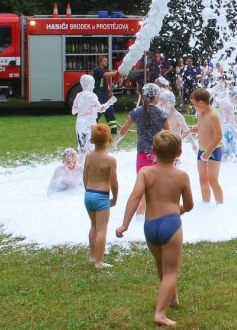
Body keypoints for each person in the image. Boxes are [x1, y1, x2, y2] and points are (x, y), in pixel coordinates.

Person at [116, 131, 194, 326]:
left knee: (161, 265)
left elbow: (134, 197)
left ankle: (172, 297)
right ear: (179, 152)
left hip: (150, 226)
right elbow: (190, 205)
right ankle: (160, 313)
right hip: (171, 224)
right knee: (171, 271)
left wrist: (125, 224)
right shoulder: (182, 176)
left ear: (153, 151)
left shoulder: (145, 172)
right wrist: (179, 210)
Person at [114, 83, 169, 216]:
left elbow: (124, 129)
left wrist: (115, 143)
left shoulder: (136, 112)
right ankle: (157, 212)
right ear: (156, 96)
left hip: (142, 154)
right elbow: (169, 133)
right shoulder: (162, 113)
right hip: (158, 153)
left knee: (143, 184)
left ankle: (140, 212)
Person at [83, 124, 118, 268]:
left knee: (93, 226)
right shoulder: (110, 160)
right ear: (109, 139)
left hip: (89, 194)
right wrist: (115, 197)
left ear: (92, 140)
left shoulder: (89, 156)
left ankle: (93, 255)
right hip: (102, 196)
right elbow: (114, 183)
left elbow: (85, 175)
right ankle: (99, 261)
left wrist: (87, 190)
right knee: (102, 229)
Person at [186, 88, 224, 204]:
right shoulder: (201, 114)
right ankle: (205, 204)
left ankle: (220, 205)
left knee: (213, 180)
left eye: (194, 103)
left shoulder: (213, 116)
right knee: (203, 179)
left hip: (212, 151)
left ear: (201, 103)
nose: (193, 106)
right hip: (202, 150)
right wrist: (191, 130)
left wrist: (208, 151)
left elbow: (218, 136)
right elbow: (203, 128)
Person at [72, 75, 117, 161]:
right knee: (92, 146)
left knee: (82, 148)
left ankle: (82, 168)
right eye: (93, 84)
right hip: (90, 124)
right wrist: (110, 102)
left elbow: (73, 111)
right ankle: (94, 165)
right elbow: (101, 109)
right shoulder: (92, 96)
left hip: (80, 123)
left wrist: (82, 108)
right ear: (88, 84)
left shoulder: (78, 95)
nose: (94, 86)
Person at [93, 56, 118, 134]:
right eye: (104, 61)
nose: (106, 62)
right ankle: (93, 128)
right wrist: (118, 72)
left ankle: (113, 130)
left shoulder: (102, 71)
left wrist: (110, 93)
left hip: (105, 94)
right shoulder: (97, 70)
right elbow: (106, 74)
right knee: (97, 112)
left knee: (110, 111)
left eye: (106, 60)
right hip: (99, 94)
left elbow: (105, 84)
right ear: (100, 61)